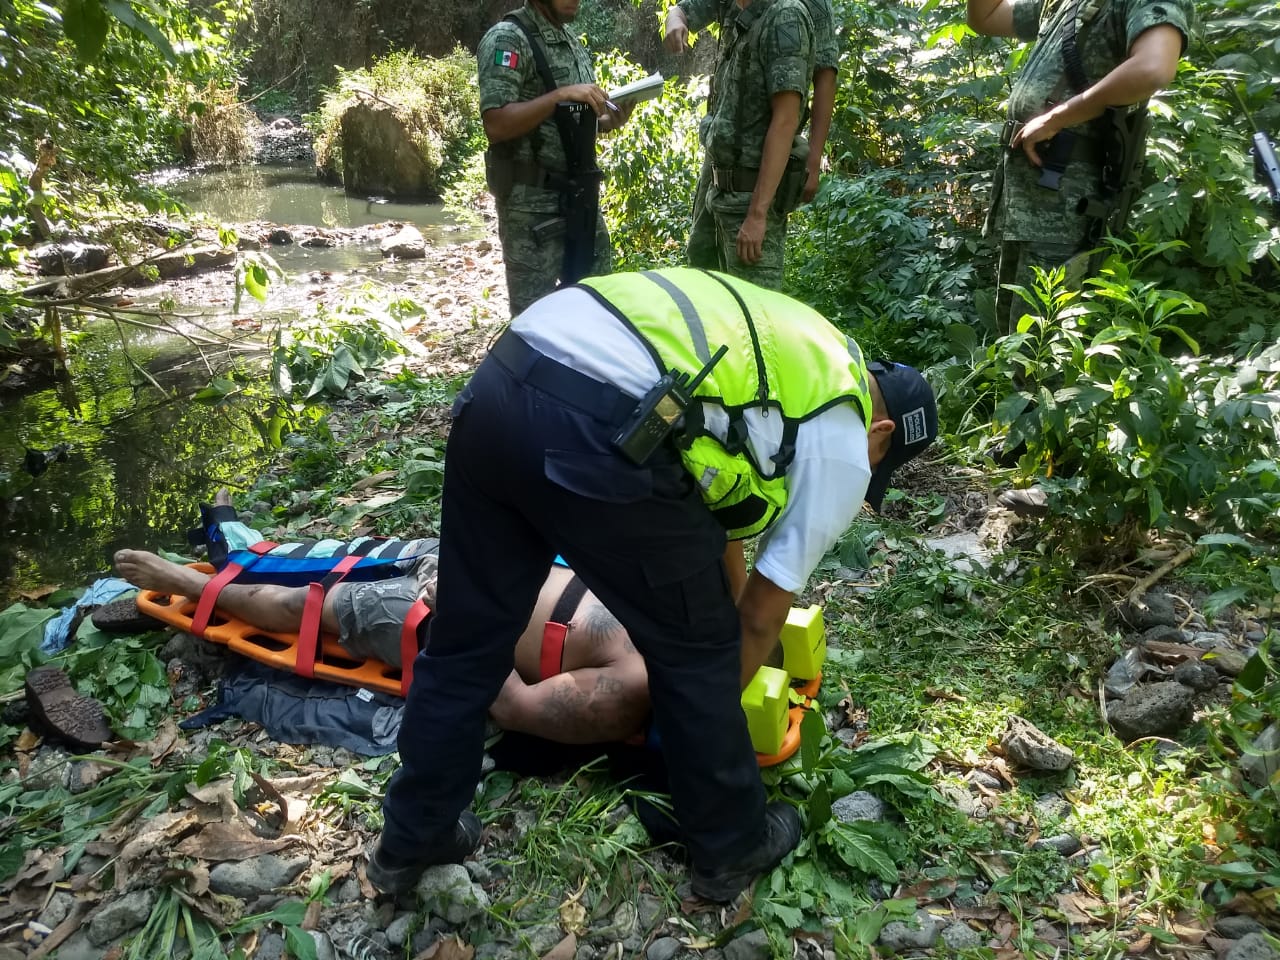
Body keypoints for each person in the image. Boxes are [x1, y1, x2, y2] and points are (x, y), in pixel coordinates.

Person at [368, 267, 938, 902]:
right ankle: (730, 844)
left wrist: (716, 607)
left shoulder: (806, 355)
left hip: (507, 374)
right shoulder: (846, 442)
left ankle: (412, 836)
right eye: (878, 465)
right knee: (696, 649)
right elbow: (754, 622)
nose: (868, 475)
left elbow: (723, 516)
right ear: (882, 436)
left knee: (468, 636)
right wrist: (702, 701)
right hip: (599, 416)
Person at [112, 542, 649, 745]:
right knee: (333, 560)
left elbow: (515, 708)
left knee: (308, 607)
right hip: (486, 561)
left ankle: (191, 584)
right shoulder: (694, 623)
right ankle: (242, 553)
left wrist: (457, 618)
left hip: (433, 616)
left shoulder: (622, 692)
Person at [967, 0, 1192, 333]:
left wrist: (1058, 117)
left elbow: (1153, 68)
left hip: (1069, 208)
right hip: (1030, 204)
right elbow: (983, 18)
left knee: (1046, 351)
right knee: (1013, 343)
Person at [478, 0, 632, 316]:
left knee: (599, 307)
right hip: (531, 210)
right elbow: (496, 122)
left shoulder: (570, 41)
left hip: (580, 200)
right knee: (536, 323)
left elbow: (568, 122)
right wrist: (559, 96)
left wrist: (606, 123)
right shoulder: (509, 38)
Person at [662, 0, 819, 290]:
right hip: (720, 195)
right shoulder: (741, 12)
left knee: (754, 321)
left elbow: (785, 121)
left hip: (750, 202)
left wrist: (758, 215)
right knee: (712, 308)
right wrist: (675, 17)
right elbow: (685, 9)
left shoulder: (785, 16)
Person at [663, 0, 838, 204]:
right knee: (705, 234)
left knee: (754, 229)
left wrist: (814, 159)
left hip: (764, 157)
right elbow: (684, 10)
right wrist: (675, 20)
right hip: (721, 155)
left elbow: (825, 76)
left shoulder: (808, 6)